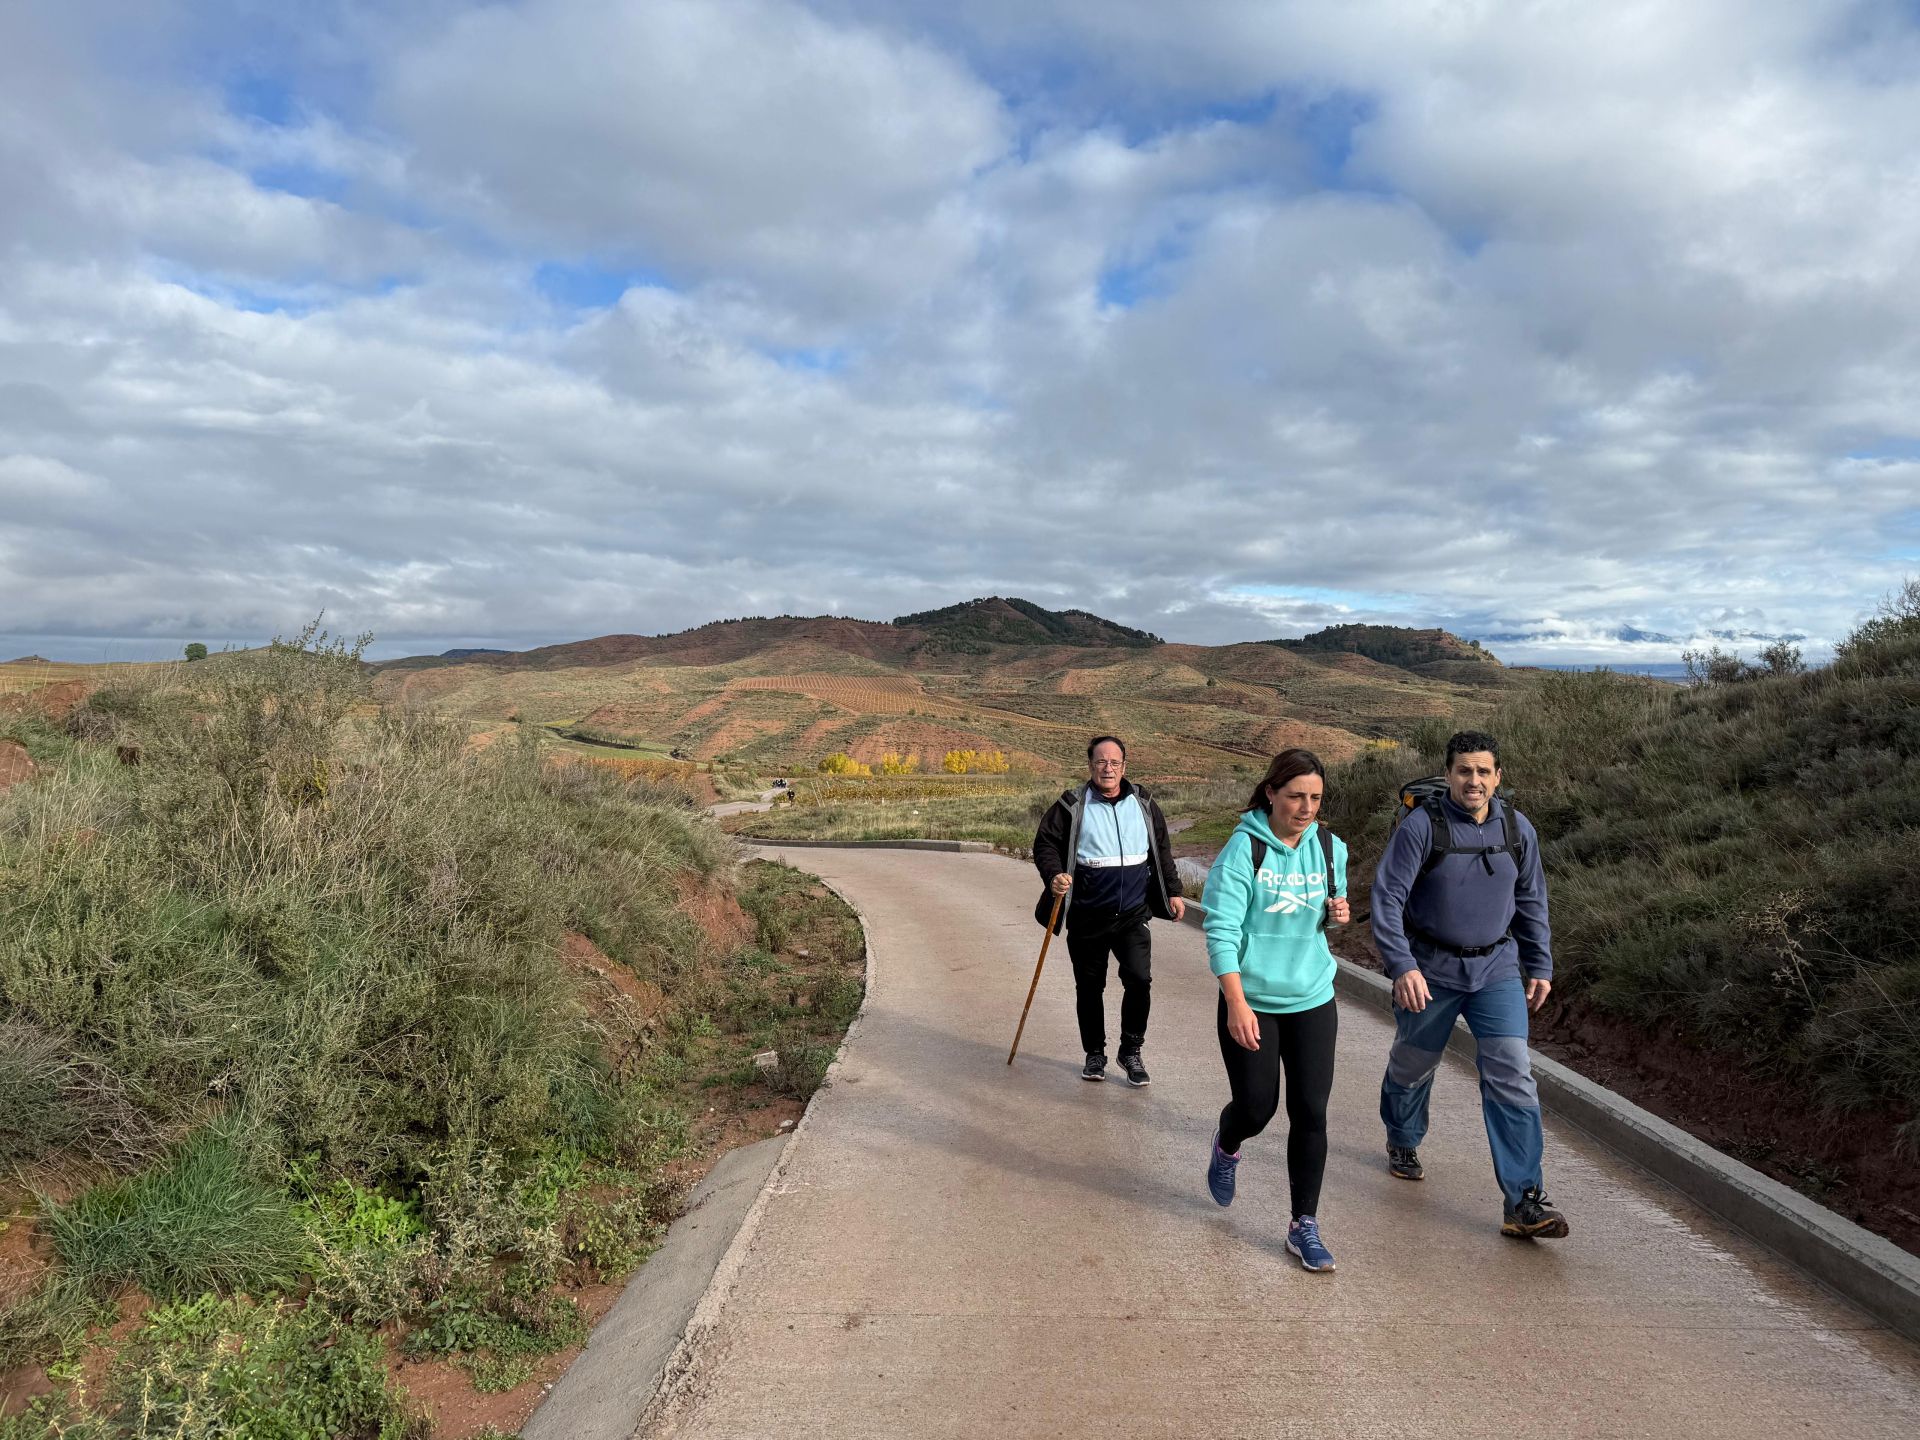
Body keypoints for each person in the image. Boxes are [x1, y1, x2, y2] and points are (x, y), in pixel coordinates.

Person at [1373, 729, 1568, 1239]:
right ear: (1450, 775)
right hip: (1429, 969)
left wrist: (1539, 964)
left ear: (1498, 777)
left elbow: (1532, 901)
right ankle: (1402, 1136)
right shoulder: (1421, 827)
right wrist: (1402, 966)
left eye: (1484, 771)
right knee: (1414, 1064)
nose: (1474, 780)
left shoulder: (1516, 828)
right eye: (1464, 771)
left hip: (1496, 970)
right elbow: (1387, 900)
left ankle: (1523, 1200)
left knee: (1512, 1073)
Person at [1199, 749, 1350, 1273]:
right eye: (1295, 797)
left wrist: (1337, 915)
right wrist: (1236, 1003)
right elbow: (1219, 931)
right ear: (1270, 793)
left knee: (1311, 1111)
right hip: (1252, 1001)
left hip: (1313, 996)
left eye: (1314, 798)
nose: (1305, 808)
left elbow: (1325, 918)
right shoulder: (1243, 851)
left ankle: (1302, 1224)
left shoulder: (1331, 848)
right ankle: (1227, 1142)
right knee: (1257, 1106)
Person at [1032, 736, 1185, 1085]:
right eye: (1101, 761)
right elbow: (1045, 844)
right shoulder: (1072, 805)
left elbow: (1161, 850)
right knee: (1089, 988)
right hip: (1087, 916)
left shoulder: (1144, 803)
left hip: (1132, 914)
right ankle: (1095, 1055)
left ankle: (1130, 1052)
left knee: (1140, 980)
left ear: (1124, 767)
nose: (1108, 768)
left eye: (1114, 762)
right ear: (1090, 766)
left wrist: (1174, 892)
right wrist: (1054, 874)